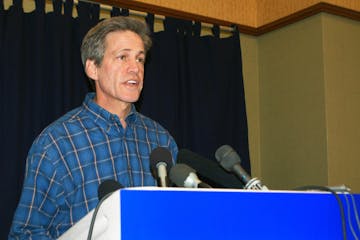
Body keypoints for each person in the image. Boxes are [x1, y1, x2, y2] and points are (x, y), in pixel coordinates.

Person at [8, 16, 178, 239]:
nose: (135, 68)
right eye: (122, 57)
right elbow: (25, 233)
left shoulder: (161, 141)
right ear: (93, 68)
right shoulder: (57, 143)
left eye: (140, 59)